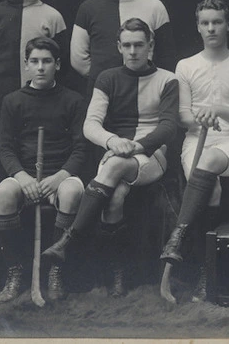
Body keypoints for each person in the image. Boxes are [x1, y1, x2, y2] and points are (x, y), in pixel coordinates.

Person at [43, 19, 179, 297]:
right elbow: (91, 125)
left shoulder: (168, 79)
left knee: (115, 165)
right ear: (118, 47)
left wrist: (136, 146)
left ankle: (69, 239)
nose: (132, 51)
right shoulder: (107, 77)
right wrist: (113, 141)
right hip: (117, 150)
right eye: (126, 45)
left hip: (152, 155)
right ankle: (118, 273)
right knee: (115, 198)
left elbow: (168, 128)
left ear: (150, 46)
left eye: (139, 44)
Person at [159, 0, 229, 301]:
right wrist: (200, 117)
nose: (211, 28)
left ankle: (179, 234)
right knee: (211, 189)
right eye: (205, 23)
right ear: (198, 27)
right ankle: (206, 272)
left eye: (217, 22)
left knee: (212, 160)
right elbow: (182, 115)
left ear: (228, 25)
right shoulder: (185, 66)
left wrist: (218, 109)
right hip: (196, 139)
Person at [0, 37, 87, 302]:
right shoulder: (12, 101)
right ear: (26, 64)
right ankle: (14, 271)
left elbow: (81, 149)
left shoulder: (74, 100)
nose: (40, 67)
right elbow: (6, 149)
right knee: (2, 192)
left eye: (47, 61)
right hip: (26, 176)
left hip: (59, 177)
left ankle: (55, 270)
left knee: (71, 191)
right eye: (34, 61)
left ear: (57, 64)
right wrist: (22, 178)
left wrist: (59, 177)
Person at [70, 0, 176, 94]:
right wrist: (105, 81)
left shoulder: (155, 6)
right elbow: (78, 59)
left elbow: (167, 57)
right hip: (103, 94)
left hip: (146, 93)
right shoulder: (88, 8)